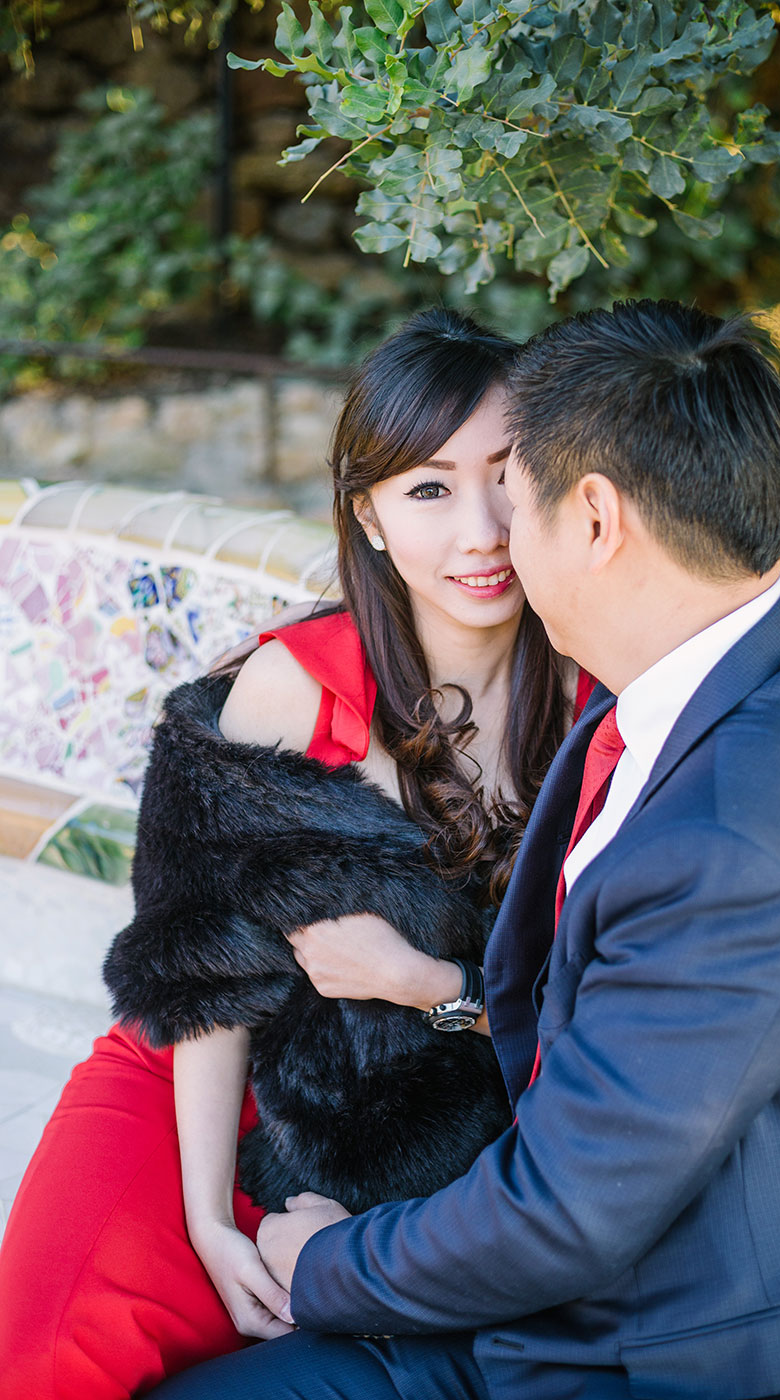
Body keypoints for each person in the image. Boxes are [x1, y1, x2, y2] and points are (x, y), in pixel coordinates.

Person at [153, 299, 780, 1400]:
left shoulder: (725, 839)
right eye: (434, 489)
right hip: (605, 1228)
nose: (489, 536)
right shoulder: (777, 634)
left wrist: (322, 1260)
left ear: (598, 519)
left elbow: (562, 1214)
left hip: (695, 1337)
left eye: (512, 498)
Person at [0, 308, 592, 1400]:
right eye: (429, 487)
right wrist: (206, 1215)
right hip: (203, 1084)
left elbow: (597, 1014)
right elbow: (206, 980)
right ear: (367, 514)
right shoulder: (294, 686)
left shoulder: (599, 700)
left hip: (426, 1126)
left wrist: (431, 990)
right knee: (45, 1357)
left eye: (509, 475)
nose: (483, 529)